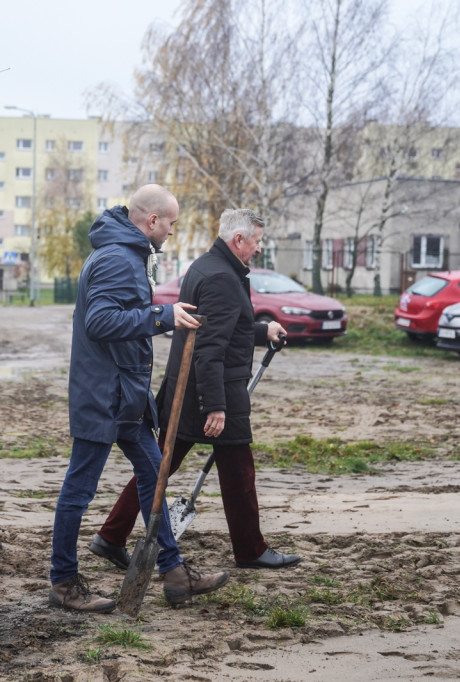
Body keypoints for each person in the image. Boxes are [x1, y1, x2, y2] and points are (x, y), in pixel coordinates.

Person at [49, 184, 230, 613]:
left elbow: (122, 311)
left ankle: (174, 572)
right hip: (104, 395)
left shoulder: (125, 253)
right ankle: (63, 583)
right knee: (79, 489)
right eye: (170, 224)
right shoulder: (116, 257)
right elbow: (101, 320)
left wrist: (167, 311)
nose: (171, 232)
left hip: (124, 395)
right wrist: (162, 316)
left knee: (154, 476)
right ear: (152, 221)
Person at [90, 208, 302, 572]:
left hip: (187, 387)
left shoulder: (208, 266)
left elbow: (216, 327)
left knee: (159, 466)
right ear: (239, 240)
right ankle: (250, 549)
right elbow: (208, 349)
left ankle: (110, 536)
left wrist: (261, 330)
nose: (259, 249)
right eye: (257, 241)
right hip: (212, 390)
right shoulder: (221, 277)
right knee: (235, 472)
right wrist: (215, 406)